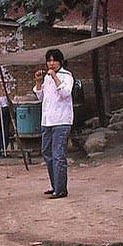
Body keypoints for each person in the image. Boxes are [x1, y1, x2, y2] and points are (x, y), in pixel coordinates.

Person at [33, 48, 74, 199]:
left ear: (60, 62)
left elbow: (65, 93)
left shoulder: (66, 76)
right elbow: (41, 96)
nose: (51, 63)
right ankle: (55, 185)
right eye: (49, 60)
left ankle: (61, 189)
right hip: (47, 121)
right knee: (47, 153)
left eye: (54, 60)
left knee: (58, 155)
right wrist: (38, 82)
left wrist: (55, 77)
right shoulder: (47, 77)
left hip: (61, 121)